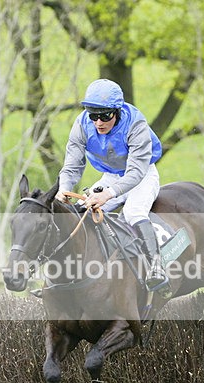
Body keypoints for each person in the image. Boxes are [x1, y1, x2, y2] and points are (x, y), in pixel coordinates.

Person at [55, 79, 168, 292]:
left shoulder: (136, 124)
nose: (98, 122)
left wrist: (108, 194)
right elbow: (71, 166)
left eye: (105, 115)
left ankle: (156, 267)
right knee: (83, 213)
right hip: (111, 175)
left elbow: (135, 172)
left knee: (133, 212)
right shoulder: (81, 125)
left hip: (142, 174)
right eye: (93, 115)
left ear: (117, 111)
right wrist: (63, 189)